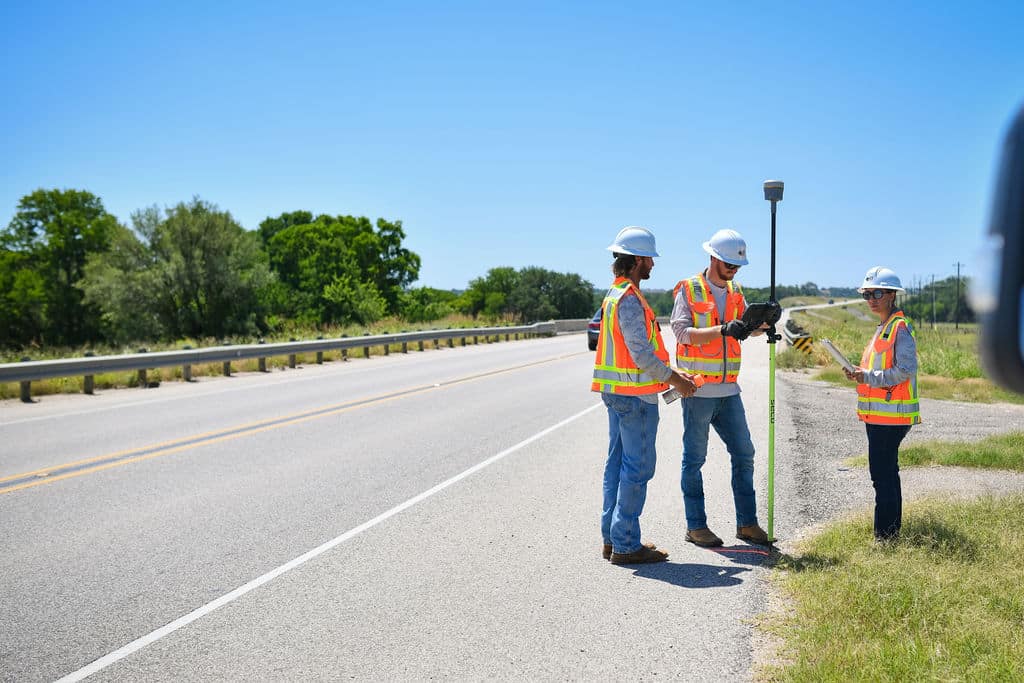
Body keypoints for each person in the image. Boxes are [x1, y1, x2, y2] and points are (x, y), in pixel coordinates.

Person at [593, 226, 699, 565]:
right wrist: (676, 379)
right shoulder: (629, 299)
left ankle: (613, 538)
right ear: (638, 260)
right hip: (634, 397)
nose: (653, 264)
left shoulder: (614, 293)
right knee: (637, 470)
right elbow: (640, 353)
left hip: (617, 392)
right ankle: (625, 544)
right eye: (650, 258)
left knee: (617, 467)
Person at [670, 228, 770, 547]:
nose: (733, 269)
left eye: (736, 265)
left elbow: (741, 330)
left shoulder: (736, 290)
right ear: (713, 257)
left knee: (745, 454)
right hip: (698, 391)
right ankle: (696, 526)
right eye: (728, 264)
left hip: (729, 391)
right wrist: (722, 330)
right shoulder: (689, 289)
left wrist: (761, 325)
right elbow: (682, 332)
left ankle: (747, 524)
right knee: (694, 460)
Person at [843, 266, 921, 542]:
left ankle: (886, 537)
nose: (871, 299)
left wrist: (868, 376)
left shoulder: (899, 327)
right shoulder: (884, 328)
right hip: (880, 415)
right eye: (867, 294)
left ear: (892, 295)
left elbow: (906, 369)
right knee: (884, 474)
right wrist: (859, 373)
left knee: (883, 475)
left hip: (892, 415)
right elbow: (880, 368)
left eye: (877, 293)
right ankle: (887, 534)